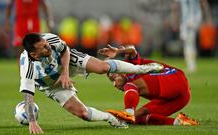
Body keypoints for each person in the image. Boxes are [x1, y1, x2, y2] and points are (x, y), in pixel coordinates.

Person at [20, 33, 164, 134]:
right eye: (43, 48)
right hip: (52, 84)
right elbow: (28, 95)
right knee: (82, 113)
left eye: (46, 44)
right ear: (33, 54)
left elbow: (65, 50)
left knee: (102, 67)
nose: (48, 47)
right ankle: (111, 118)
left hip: (66, 62)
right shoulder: (28, 67)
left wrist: (65, 73)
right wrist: (32, 121)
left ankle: (141, 69)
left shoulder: (50, 40)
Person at [98, 45, 199, 126]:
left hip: (176, 79)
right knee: (135, 119)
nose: (114, 84)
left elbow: (132, 49)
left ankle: (128, 112)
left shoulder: (129, 64)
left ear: (120, 71)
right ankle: (180, 123)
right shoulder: (132, 86)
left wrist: (119, 51)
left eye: (113, 79)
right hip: (181, 98)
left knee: (131, 86)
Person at [172, 0, 212, 73]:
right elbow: (204, 4)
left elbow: (175, 7)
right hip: (191, 19)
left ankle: (191, 66)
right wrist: (207, 18)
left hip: (189, 20)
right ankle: (191, 64)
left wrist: (175, 21)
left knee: (189, 43)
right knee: (189, 43)